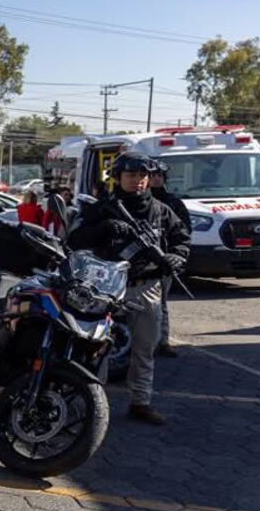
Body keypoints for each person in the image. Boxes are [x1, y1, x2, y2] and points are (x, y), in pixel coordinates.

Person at [69, 153, 190, 426]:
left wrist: (177, 257)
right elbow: (75, 239)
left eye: (143, 176)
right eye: (132, 176)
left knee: (144, 349)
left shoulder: (161, 210)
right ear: (118, 177)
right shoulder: (103, 208)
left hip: (146, 287)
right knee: (95, 347)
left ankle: (140, 403)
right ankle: (92, 403)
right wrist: (104, 228)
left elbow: (181, 238)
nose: (138, 181)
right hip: (106, 289)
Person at [150, 161, 190, 359]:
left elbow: (184, 231)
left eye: (160, 175)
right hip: (137, 265)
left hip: (164, 263)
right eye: (153, 175)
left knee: (162, 304)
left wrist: (177, 255)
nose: (156, 179)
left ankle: (163, 341)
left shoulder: (172, 204)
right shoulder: (137, 202)